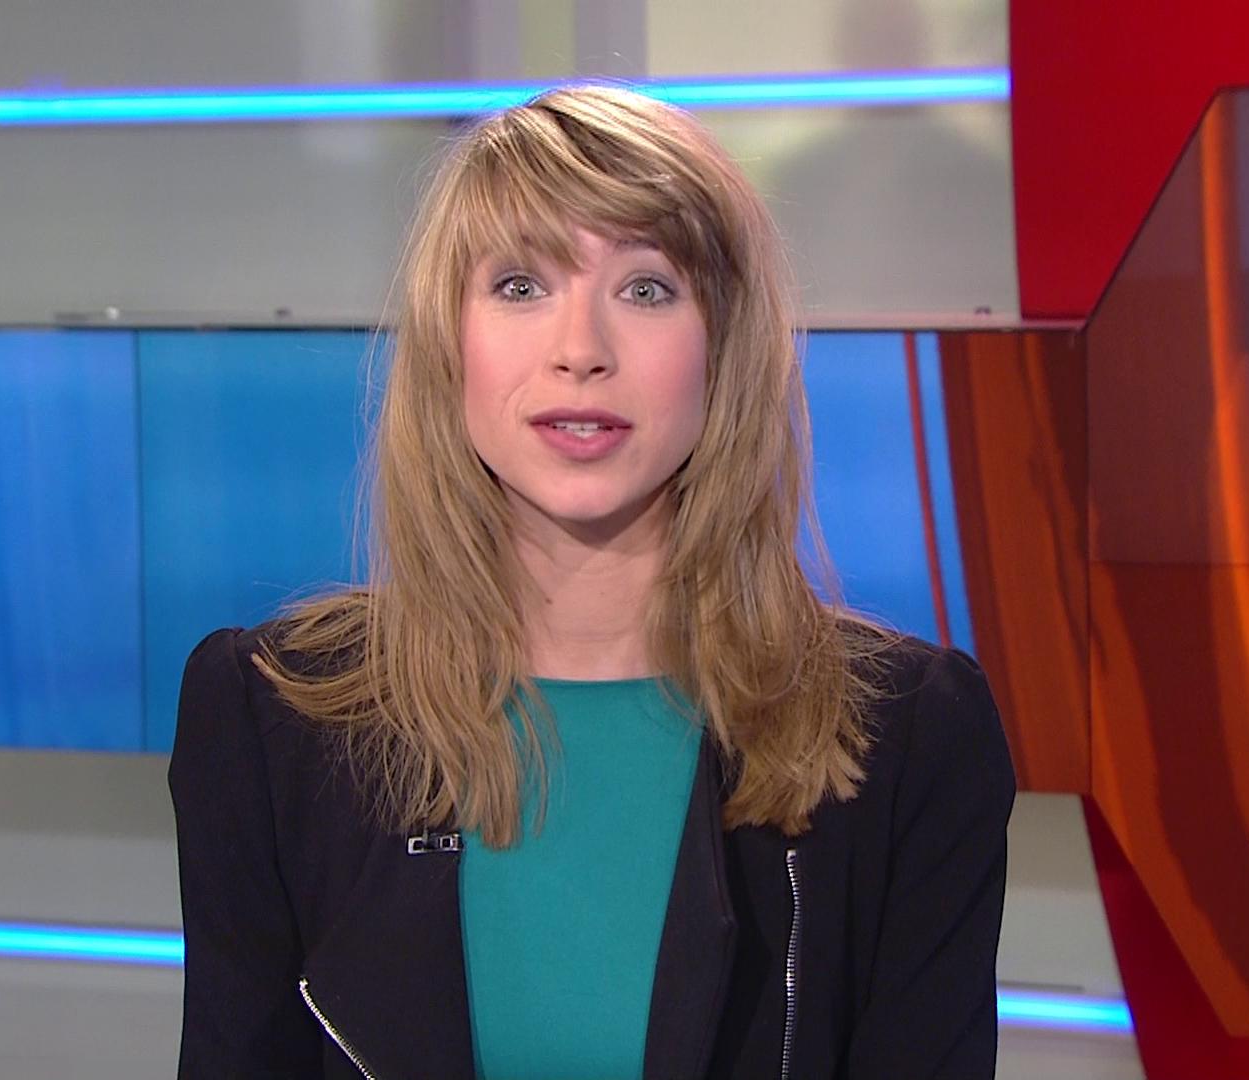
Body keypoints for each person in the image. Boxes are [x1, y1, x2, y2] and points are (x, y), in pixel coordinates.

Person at [168, 82, 1017, 1079]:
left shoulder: (911, 738)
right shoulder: (268, 721)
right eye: (520, 285)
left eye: (646, 289)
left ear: (724, 348)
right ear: (449, 344)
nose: (580, 352)